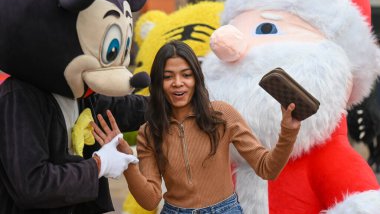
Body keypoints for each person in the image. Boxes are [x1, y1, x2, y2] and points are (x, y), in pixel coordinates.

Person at [92, 40, 301, 213]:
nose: (177, 82)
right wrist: (128, 162)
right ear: (158, 84)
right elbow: (150, 200)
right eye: (168, 77)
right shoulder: (149, 132)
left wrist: (288, 131)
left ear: (196, 78)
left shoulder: (222, 115)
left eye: (186, 74)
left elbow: (267, 168)